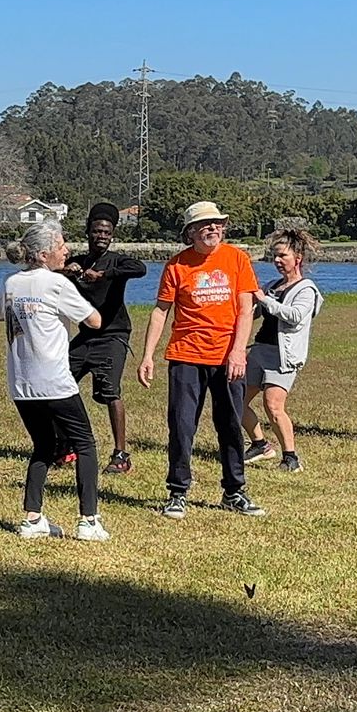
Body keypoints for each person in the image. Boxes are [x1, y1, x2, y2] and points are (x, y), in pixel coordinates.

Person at [136, 201, 264, 519]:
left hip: (227, 357)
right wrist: (147, 355)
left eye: (217, 224)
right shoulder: (177, 265)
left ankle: (234, 492)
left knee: (231, 425)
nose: (212, 229)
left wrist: (237, 351)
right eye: (205, 225)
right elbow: (160, 311)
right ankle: (178, 492)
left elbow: (245, 309)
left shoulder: (237, 259)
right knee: (181, 426)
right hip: (185, 356)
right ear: (190, 232)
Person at [0, 220, 106, 542]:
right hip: (55, 381)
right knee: (85, 444)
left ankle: (33, 519)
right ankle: (88, 520)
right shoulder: (56, 284)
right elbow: (94, 321)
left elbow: (1, 315)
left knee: (43, 445)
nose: (67, 250)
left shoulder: (11, 282)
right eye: (61, 246)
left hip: (21, 382)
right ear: (43, 254)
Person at [64, 202, 147, 473]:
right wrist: (67, 270)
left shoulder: (117, 261)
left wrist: (104, 274)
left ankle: (121, 455)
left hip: (113, 335)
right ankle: (66, 445)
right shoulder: (78, 261)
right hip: (86, 335)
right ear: (88, 231)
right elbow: (48, 270)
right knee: (58, 382)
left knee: (110, 390)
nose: (102, 236)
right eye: (97, 231)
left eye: (107, 232)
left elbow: (140, 268)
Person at [242, 228, 324, 473]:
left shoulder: (306, 290)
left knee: (273, 406)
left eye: (282, 256)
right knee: (236, 401)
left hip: (284, 356)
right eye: (275, 256)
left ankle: (291, 457)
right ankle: (260, 445)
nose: (277, 261)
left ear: (297, 258)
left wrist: (264, 299)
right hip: (259, 351)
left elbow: (295, 316)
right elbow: (254, 311)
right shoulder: (272, 285)